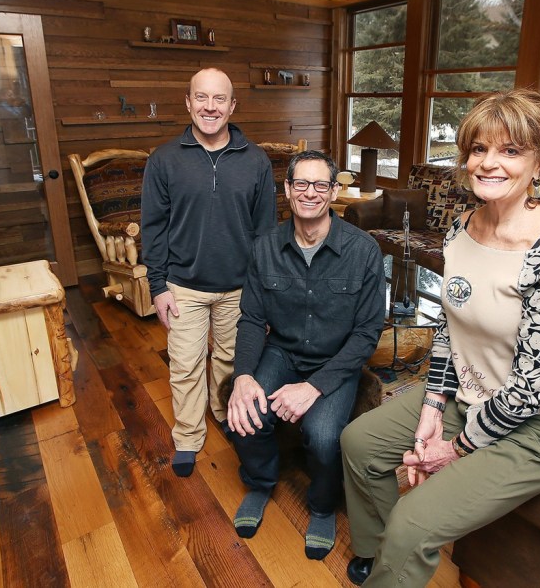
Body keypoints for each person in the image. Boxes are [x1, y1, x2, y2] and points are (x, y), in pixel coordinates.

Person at [340, 89, 540, 586]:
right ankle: (377, 553)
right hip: (469, 396)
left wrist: (453, 448)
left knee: (415, 524)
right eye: (479, 149)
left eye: (510, 151)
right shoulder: (460, 228)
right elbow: (451, 329)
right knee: (360, 443)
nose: (488, 163)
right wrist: (434, 405)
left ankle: (399, 550)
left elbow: (531, 387)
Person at [226, 150, 386, 560]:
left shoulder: (363, 250)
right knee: (246, 414)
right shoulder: (264, 248)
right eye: (301, 183)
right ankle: (260, 483)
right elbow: (250, 319)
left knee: (324, 435)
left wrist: (314, 387)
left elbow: (367, 333)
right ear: (287, 190)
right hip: (282, 352)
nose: (310, 193)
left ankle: (321, 505)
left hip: (335, 363)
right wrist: (243, 375)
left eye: (320, 185)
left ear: (333, 191)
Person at [141, 68, 277, 477]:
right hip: (183, 286)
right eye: (202, 98)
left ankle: (223, 414)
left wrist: (262, 290)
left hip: (240, 288)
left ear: (233, 106)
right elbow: (153, 228)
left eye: (220, 99)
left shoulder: (255, 161)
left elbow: (266, 231)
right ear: (188, 103)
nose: (210, 107)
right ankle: (187, 435)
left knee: (231, 361)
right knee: (184, 364)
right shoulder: (164, 160)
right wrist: (158, 285)